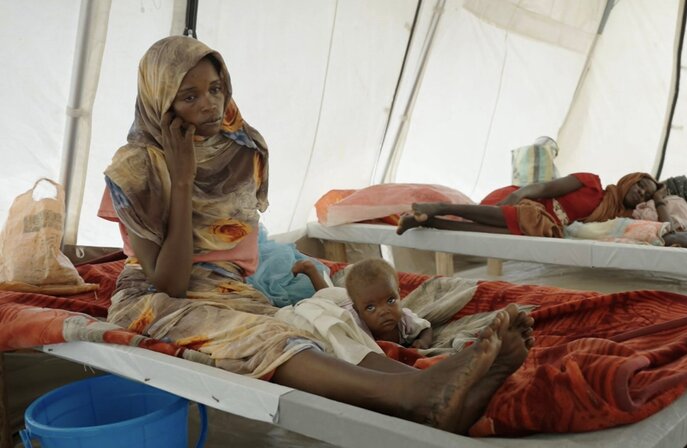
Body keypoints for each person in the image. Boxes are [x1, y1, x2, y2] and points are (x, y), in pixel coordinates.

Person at [98, 36, 533, 434]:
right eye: (189, 96)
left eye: (215, 88)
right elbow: (170, 282)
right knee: (272, 340)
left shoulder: (237, 146)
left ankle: (444, 389)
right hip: (155, 301)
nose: (210, 105)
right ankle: (414, 395)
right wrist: (182, 177)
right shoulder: (135, 168)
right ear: (160, 103)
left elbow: (236, 254)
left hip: (227, 291)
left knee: (317, 326)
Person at [397, 172, 670, 237]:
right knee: (527, 219)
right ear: (629, 179)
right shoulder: (591, 183)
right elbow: (545, 187)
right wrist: (518, 196)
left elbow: (665, 228)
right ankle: (439, 208)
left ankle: (431, 222)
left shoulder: (621, 216)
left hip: (547, 224)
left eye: (645, 195)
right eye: (640, 186)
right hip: (530, 201)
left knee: (517, 232)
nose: (640, 194)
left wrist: (659, 200)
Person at [293, 258, 434, 349]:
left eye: (390, 300)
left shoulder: (404, 319)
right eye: (371, 308)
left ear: (399, 294)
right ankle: (311, 270)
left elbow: (426, 328)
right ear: (358, 310)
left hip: (357, 297)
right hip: (337, 302)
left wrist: (423, 342)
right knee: (325, 294)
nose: (384, 311)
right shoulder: (355, 327)